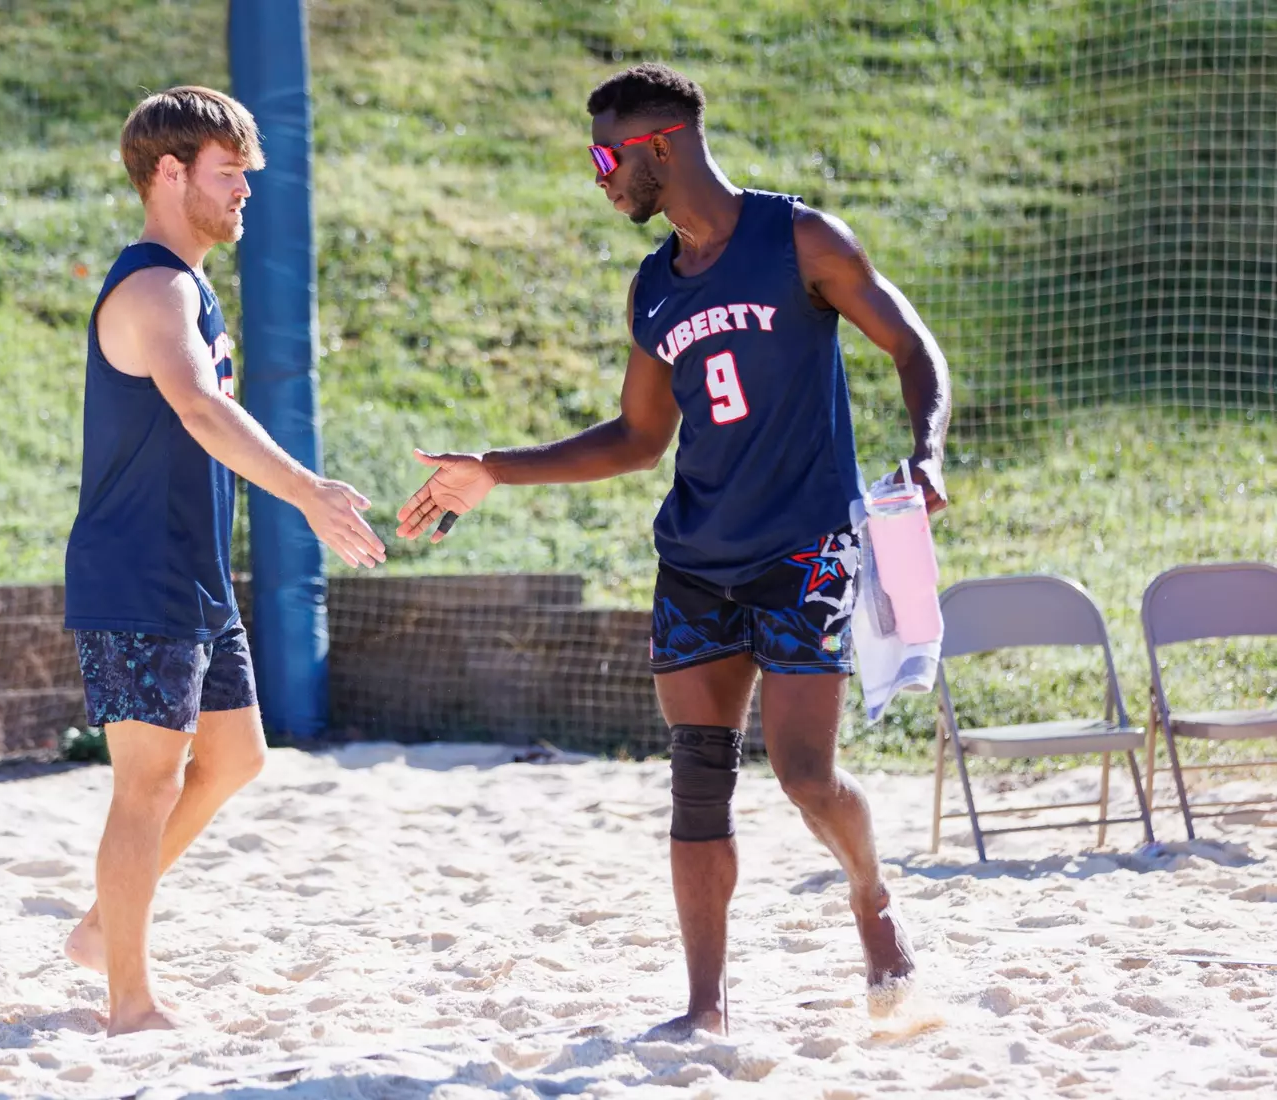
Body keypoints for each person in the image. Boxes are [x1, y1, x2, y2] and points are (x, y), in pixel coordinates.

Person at [397, 63, 950, 1036]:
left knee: (806, 774)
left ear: (664, 143)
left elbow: (911, 345)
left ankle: (871, 894)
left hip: (808, 548)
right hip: (696, 556)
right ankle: (705, 1005)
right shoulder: (654, 286)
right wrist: (494, 468)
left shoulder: (799, 238)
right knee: (697, 778)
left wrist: (927, 449)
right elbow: (637, 437)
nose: (599, 176)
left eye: (608, 156)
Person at [62, 86, 386, 1036]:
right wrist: (308, 491)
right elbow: (203, 413)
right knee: (147, 785)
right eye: (229, 171)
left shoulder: (190, 284)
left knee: (237, 758)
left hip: (192, 573)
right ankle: (129, 1000)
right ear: (170, 173)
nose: (246, 189)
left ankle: (98, 928)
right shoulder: (154, 286)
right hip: (136, 574)